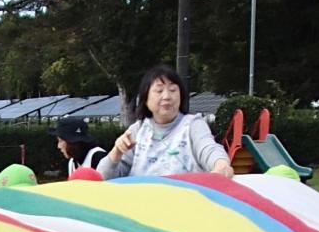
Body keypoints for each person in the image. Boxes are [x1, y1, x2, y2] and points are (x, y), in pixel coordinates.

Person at [97, 65, 233, 180]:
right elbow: (103, 177)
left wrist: (221, 165)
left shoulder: (193, 125)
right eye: (159, 90)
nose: (167, 96)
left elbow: (209, 149)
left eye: (173, 90)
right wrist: (116, 151)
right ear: (145, 98)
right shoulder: (137, 131)